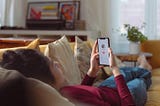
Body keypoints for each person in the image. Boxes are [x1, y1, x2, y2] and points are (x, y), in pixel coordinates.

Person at [0, 40, 152, 106]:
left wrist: (92, 72)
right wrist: (114, 69)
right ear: (46, 80)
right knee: (143, 77)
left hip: (105, 88)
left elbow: (82, 92)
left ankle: (141, 64)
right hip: (125, 95)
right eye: (54, 65)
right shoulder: (68, 99)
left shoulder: (64, 91)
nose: (58, 63)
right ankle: (145, 66)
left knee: (129, 71)